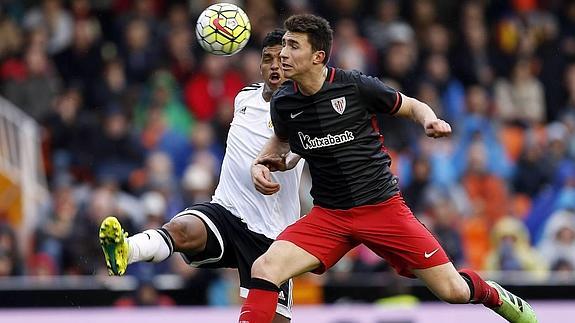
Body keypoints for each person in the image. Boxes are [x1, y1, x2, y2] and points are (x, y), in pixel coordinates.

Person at [239, 14, 537, 323]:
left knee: (453, 291)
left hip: (382, 210)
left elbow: (411, 106)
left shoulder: (354, 86)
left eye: (293, 46)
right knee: (265, 268)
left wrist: (429, 120)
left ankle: (495, 295)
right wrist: (262, 162)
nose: (283, 54)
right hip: (329, 216)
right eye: (283, 45)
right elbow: (282, 140)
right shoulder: (284, 101)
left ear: (318, 57)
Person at [99, 29, 303, 323]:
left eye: (281, 60)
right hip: (227, 210)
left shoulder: (305, 110)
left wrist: (285, 161)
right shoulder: (244, 97)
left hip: (270, 234)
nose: (273, 65)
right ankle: (125, 250)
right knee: (181, 228)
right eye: (267, 58)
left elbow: (303, 151)